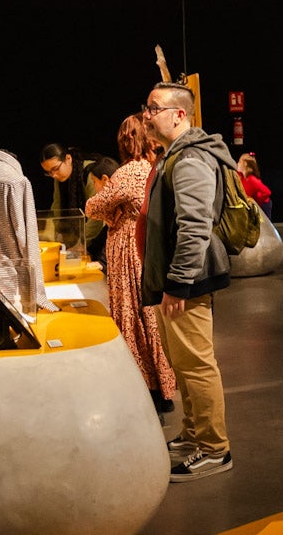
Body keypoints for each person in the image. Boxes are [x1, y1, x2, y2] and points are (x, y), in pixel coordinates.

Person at [139, 82, 234, 482]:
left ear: (179, 115)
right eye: (145, 108)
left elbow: (194, 227)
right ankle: (194, 435)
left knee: (196, 365)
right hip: (174, 282)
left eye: (153, 108)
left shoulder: (192, 159)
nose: (146, 116)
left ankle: (214, 449)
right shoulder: (173, 155)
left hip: (187, 282)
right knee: (183, 363)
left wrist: (177, 283)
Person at [85, 114, 177, 416]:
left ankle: (143, 387)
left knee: (131, 317)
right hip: (150, 248)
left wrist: (111, 210)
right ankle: (165, 387)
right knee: (151, 319)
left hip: (127, 251)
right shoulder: (153, 170)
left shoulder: (126, 174)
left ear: (123, 142)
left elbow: (92, 207)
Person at [40, 142, 109, 269]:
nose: (53, 175)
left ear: (68, 159)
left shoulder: (89, 172)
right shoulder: (58, 178)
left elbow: (97, 216)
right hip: (79, 240)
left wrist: (81, 245)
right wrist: (50, 240)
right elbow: (56, 207)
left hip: (100, 238)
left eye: (55, 169)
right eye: (49, 172)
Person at [237, 152, 273, 219]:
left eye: (239, 162)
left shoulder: (252, 179)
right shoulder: (242, 177)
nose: (237, 164)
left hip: (263, 205)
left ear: (245, 164)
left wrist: (256, 201)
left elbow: (267, 192)